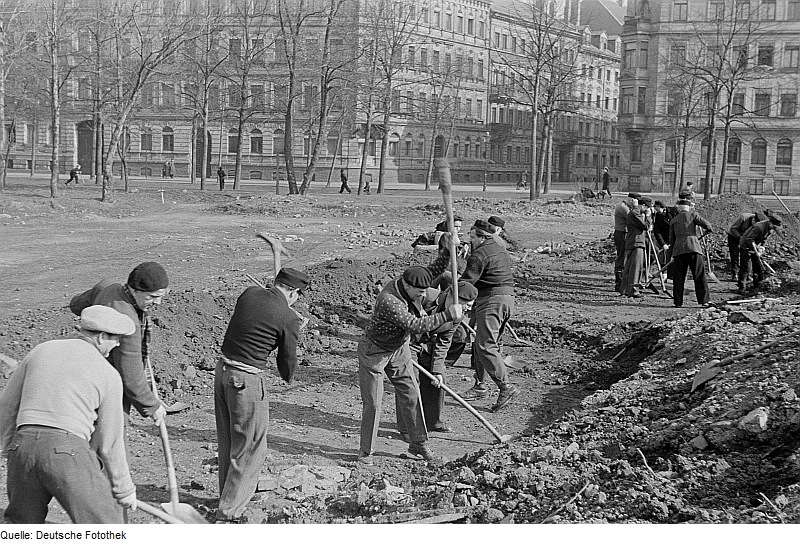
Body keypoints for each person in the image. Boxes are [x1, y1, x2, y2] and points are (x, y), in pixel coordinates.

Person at [0, 306, 138, 524]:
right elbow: (110, 444)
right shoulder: (108, 374)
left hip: (22, 448)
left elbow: (7, 407)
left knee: (21, 526)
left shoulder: (41, 350)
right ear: (102, 337)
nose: (119, 344)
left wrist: (11, 450)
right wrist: (124, 489)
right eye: (117, 339)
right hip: (66, 450)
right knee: (106, 526)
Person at [214, 267, 309, 523]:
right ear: (293, 292)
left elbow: (255, 321)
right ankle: (229, 511)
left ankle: (229, 495)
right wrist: (294, 331)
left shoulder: (249, 294)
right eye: (298, 295)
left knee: (229, 439)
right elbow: (286, 363)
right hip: (246, 380)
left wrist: (286, 322)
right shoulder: (288, 317)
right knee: (251, 442)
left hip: (222, 372)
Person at [358, 251, 463, 466]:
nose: (423, 296)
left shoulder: (414, 281)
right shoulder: (389, 300)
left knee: (411, 395)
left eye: (425, 291)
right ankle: (365, 452)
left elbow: (432, 270)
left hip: (399, 348)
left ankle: (418, 444)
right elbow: (415, 325)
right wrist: (448, 315)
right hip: (374, 352)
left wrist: (448, 247)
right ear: (406, 286)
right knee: (374, 404)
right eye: (419, 292)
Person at [69, 262, 169, 429]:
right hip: (110, 389)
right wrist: (151, 406)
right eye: (152, 297)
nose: (158, 303)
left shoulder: (107, 287)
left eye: (161, 296)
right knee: (111, 439)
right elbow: (131, 376)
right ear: (134, 290)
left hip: (86, 378)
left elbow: (76, 305)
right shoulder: (129, 324)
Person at [460, 220, 519, 411]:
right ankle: (481, 386)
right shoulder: (498, 247)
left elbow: (467, 284)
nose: (469, 241)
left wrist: (451, 295)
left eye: (472, 237)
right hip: (507, 299)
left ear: (481, 237)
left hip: (492, 301)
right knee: (487, 344)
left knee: (485, 345)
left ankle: (505, 387)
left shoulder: (479, 254)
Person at [415, 280, 478, 433]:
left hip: (426, 346)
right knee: (410, 380)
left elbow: (443, 342)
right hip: (407, 342)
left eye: (470, 305)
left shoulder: (457, 316)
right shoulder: (427, 296)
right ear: (452, 296)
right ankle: (408, 426)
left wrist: (436, 370)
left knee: (438, 378)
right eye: (466, 304)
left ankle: (433, 422)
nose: (468, 309)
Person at [669, 199, 713, 307]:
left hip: (678, 250)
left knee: (678, 277)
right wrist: (708, 230)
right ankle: (704, 300)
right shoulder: (693, 214)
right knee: (698, 274)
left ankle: (678, 302)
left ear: (679, 208)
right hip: (693, 247)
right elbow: (707, 225)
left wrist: (671, 255)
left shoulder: (673, 220)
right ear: (688, 207)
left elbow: (671, 240)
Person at [737, 214, 783, 295]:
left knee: (757, 266)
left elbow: (764, 240)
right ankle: (742, 288)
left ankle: (757, 286)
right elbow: (749, 240)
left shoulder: (771, 229)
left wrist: (761, 248)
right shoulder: (759, 227)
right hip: (745, 246)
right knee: (745, 267)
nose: (775, 228)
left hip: (756, 245)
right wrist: (755, 250)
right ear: (770, 223)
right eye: (774, 226)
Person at [621, 196, 653, 298]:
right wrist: (648, 217)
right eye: (647, 208)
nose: (647, 210)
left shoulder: (635, 213)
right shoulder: (635, 213)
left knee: (629, 267)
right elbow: (646, 226)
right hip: (636, 243)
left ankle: (625, 289)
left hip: (633, 242)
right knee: (635, 268)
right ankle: (633, 290)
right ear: (643, 205)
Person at [727, 210, 768, 279]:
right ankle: (734, 274)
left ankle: (747, 275)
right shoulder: (744, 217)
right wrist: (741, 238)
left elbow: (763, 237)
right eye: (754, 222)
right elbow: (733, 229)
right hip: (734, 237)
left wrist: (761, 247)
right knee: (735, 255)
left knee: (748, 256)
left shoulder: (761, 226)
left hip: (748, 240)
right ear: (753, 218)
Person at [613, 192, 640, 293]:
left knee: (625, 257)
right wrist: (636, 207)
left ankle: (623, 281)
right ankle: (619, 283)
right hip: (621, 233)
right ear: (631, 200)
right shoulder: (623, 207)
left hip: (625, 233)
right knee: (622, 257)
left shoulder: (626, 206)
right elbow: (633, 218)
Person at [652, 201, 678, 279]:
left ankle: (673, 275)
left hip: (676, 238)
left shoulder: (674, 211)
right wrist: (663, 244)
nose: (656, 210)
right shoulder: (658, 216)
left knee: (676, 257)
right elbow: (657, 231)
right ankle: (664, 274)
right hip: (665, 239)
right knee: (664, 257)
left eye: (657, 208)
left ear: (662, 207)